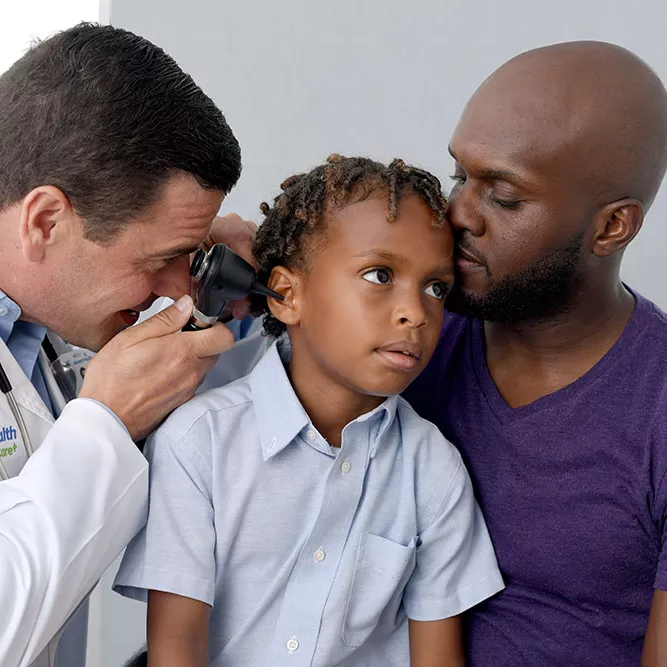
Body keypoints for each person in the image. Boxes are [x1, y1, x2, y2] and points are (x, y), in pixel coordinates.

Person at [113, 155, 504, 666]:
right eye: (380, 274)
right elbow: (176, 650)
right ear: (287, 296)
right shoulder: (198, 444)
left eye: (436, 288)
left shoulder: (434, 471)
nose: (415, 312)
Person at [400, 41, 667, 665]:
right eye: (460, 175)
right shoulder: (407, 337)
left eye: (505, 196)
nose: (458, 213)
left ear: (611, 227)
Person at [0, 22, 251, 667]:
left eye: (190, 257)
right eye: (165, 258)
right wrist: (107, 424)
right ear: (46, 220)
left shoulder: (51, 320)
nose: (178, 289)